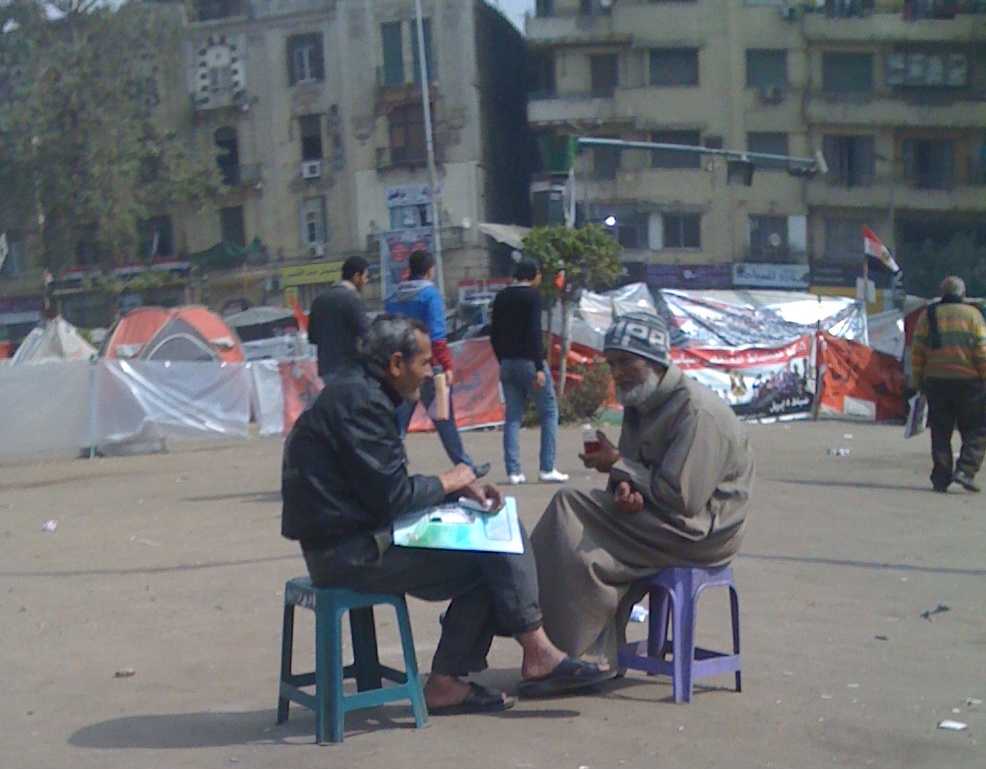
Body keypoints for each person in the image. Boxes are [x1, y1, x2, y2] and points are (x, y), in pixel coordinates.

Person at [281, 314, 613, 714]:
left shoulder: (358, 393)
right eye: (424, 363)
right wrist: (450, 480)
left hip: (351, 539)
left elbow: (379, 487)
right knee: (490, 556)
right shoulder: (362, 402)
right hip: (347, 553)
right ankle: (520, 657)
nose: (429, 374)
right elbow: (392, 497)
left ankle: (517, 656)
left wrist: (453, 490)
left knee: (493, 532)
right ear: (396, 364)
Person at [529, 310, 755, 679]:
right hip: (663, 518)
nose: (617, 373)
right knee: (573, 531)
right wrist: (624, 487)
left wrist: (618, 465)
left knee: (569, 509)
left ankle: (571, 649)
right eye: (612, 364)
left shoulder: (697, 412)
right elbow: (636, 472)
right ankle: (574, 648)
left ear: (654, 361)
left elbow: (682, 497)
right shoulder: (641, 402)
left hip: (701, 533)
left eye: (625, 362)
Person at [385, 249, 489, 478]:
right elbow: (437, 337)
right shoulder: (430, 296)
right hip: (427, 367)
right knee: (444, 419)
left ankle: (388, 465)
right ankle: (465, 466)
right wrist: (446, 366)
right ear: (430, 270)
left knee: (398, 422)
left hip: (400, 368)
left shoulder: (392, 298)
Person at [490, 256, 568, 485]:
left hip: (507, 363)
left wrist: (502, 359)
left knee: (513, 417)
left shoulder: (502, 296)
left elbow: (493, 333)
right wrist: (539, 367)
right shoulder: (532, 297)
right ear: (534, 275)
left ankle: (513, 472)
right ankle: (546, 467)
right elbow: (534, 333)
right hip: (529, 362)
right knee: (549, 412)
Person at [910, 275, 986, 493]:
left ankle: (941, 477)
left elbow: (917, 352)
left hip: (936, 382)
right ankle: (965, 470)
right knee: (977, 430)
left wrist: (917, 381)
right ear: (963, 294)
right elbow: (982, 351)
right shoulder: (973, 316)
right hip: (969, 384)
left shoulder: (928, 315)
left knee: (941, 432)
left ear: (941, 293)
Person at [307, 255, 371, 377]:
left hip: (326, 370)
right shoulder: (352, 300)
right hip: (349, 370)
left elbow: (312, 338)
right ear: (356, 276)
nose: (366, 281)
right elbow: (366, 333)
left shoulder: (318, 300)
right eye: (365, 277)